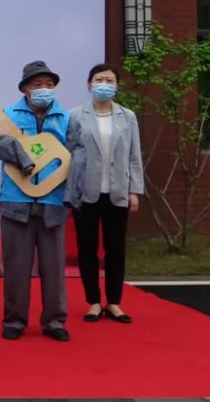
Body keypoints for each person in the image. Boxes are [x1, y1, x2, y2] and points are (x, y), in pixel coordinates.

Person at [0, 61, 72, 342]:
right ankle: (14, 320)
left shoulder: (65, 117)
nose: (44, 89)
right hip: (16, 201)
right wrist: (24, 158)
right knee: (16, 266)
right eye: (38, 85)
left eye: (49, 85)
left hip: (53, 201)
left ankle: (54, 321)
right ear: (25, 88)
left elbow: (74, 154)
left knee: (54, 267)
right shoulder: (9, 115)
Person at [66, 64, 144, 324]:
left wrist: (134, 190)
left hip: (117, 192)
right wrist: (69, 190)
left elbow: (134, 156)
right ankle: (93, 302)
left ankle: (114, 302)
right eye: (99, 79)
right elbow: (68, 154)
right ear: (89, 85)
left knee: (115, 249)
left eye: (109, 80)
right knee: (87, 249)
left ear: (116, 86)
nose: (104, 84)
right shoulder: (75, 116)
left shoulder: (127, 116)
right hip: (85, 193)